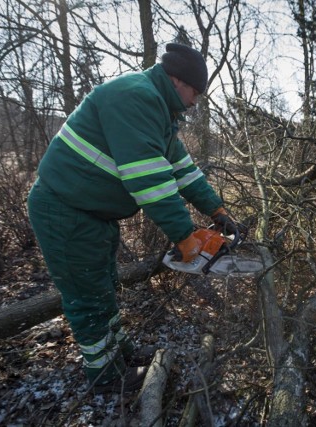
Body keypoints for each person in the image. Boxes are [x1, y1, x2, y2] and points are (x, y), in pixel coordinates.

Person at [27, 43, 232, 394]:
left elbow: (183, 171)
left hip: (91, 214)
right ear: (175, 80)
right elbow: (148, 179)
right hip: (65, 209)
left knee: (101, 287)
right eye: (195, 91)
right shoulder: (135, 98)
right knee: (86, 296)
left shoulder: (159, 114)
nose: (195, 101)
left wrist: (217, 210)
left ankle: (118, 353)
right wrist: (184, 235)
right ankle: (105, 376)